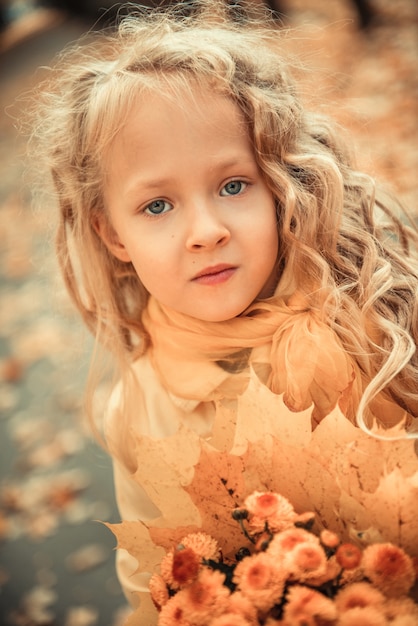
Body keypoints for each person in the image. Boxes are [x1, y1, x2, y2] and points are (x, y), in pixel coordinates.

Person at [27, 0, 418, 619]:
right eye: (157, 206)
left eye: (233, 186)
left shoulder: (371, 310)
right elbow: (155, 575)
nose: (206, 231)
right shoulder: (140, 408)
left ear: (279, 182)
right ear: (113, 235)